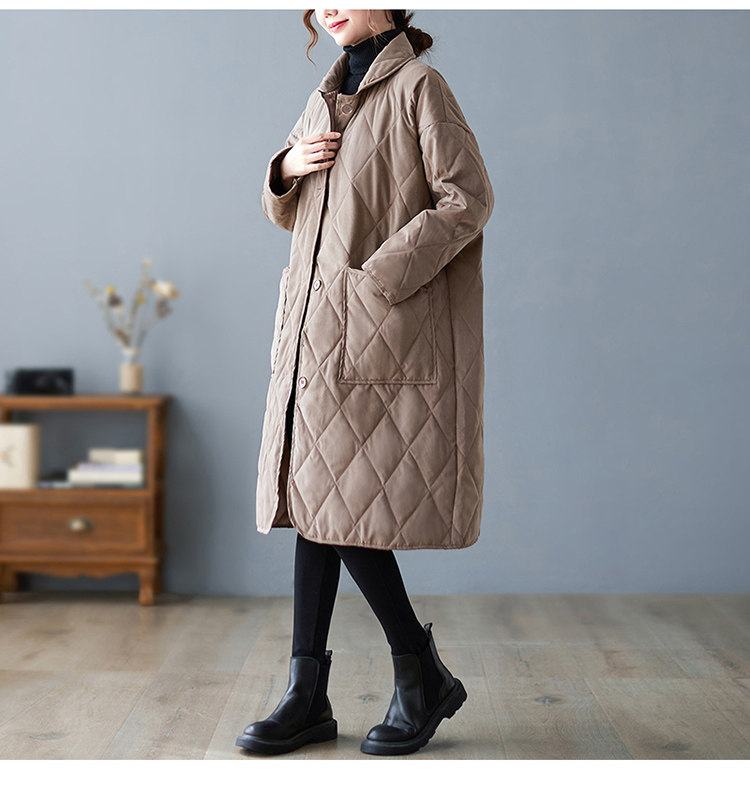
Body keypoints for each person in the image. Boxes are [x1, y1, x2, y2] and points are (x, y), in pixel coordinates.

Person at [236, 9, 494, 756]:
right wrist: (284, 169)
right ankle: (308, 692)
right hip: (312, 334)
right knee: (313, 500)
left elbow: (467, 198)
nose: (326, 7)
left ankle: (415, 670)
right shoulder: (323, 97)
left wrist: (382, 278)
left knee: (336, 503)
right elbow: (294, 214)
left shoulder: (420, 87)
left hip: (374, 332)